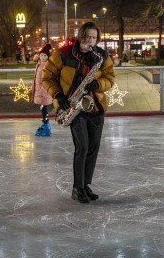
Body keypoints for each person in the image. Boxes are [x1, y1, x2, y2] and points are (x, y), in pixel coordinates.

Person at [42, 22, 115, 203]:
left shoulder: (101, 56)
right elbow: (47, 77)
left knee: (93, 148)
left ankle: (85, 185)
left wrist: (97, 84)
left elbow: (110, 78)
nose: (90, 41)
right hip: (74, 106)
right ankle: (77, 189)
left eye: (94, 38)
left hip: (95, 107)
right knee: (82, 147)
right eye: (87, 37)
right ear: (81, 36)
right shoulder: (63, 54)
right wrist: (58, 96)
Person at [32, 44, 53, 137]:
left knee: (44, 108)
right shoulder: (39, 64)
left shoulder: (47, 66)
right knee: (43, 109)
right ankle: (45, 124)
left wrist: (43, 91)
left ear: (48, 56)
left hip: (44, 91)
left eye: (45, 55)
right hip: (39, 91)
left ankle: (46, 125)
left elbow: (47, 80)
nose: (43, 57)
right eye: (41, 55)